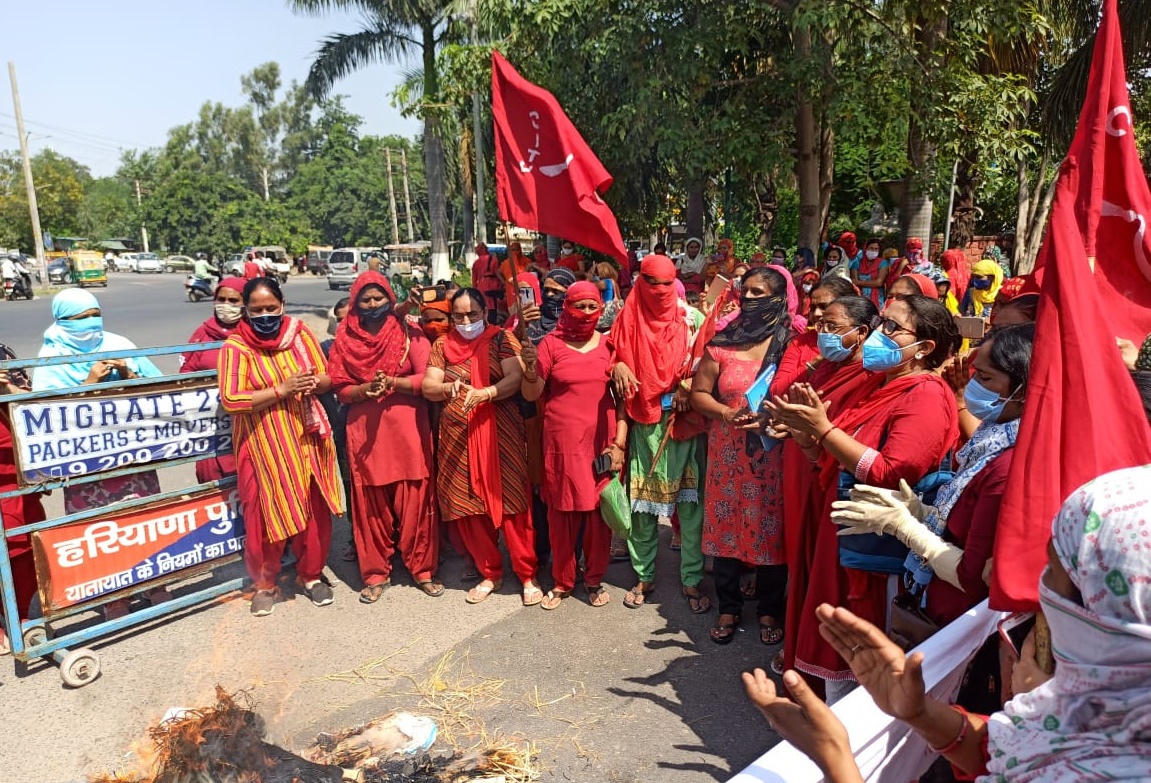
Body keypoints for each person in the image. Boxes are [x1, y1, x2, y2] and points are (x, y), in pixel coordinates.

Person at [745, 464, 1151, 783]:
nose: (1036, 590)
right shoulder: (1096, 715)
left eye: (1056, 576)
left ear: (1108, 620)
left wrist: (833, 754)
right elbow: (1003, 745)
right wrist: (920, 712)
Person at [767, 295, 960, 701]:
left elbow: (893, 472)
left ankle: (855, 749)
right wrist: (807, 439)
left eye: (892, 328)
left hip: (876, 548)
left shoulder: (924, 395)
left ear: (924, 348)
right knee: (841, 641)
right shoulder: (878, 383)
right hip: (843, 531)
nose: (878, 334)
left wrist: (823, 430)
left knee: (864, 654)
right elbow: (835, 457)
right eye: (880, 324)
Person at [834, 323, 1035, 626]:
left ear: (1024, 388)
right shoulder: (991, 438)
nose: (972, 386)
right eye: (974, 373)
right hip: (935, 596)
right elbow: (963, 524)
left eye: (985, 377)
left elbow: (971, 576)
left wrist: (905, 527)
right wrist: (918, 509)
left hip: (960, 617)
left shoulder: (1007, 466)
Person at [218, 277, 343, 616]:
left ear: (282, 305)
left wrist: (315, 383)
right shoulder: (236, 347)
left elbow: (328, 377)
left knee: (313, 512)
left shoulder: (299, 334)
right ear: (245, 310)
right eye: (256, 310)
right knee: (263, 517)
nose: (264, 315)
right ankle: (265, 584)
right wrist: (282, 389)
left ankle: (311, 576)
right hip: (262, 447)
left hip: (305, 439)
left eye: (270, 308)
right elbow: (232, 399)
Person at [771, 295, 882, 678]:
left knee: (825, 578)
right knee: (801, 565)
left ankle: (820, 667)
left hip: (835, 485)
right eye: (821, 326)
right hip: (805, 474)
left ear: (862, 333)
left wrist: (816, 433)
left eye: (834, 327)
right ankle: (799, 649)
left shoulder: (871, 377)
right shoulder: (823, 370)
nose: (823, 333)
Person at [690, 267, 793, 645]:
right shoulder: (723, 343)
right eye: (745, 291)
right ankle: (728, 607)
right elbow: (699, 394)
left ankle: (769, 608)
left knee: (771, 529)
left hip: (775, 454)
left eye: (759, 292)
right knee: (726, 527)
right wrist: (727, 413)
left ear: (780, 299)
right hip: (728, 456)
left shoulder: (790, 345)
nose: (748, 298)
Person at [327, 272, 441, 602]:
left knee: (415, 501)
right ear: (355, 302)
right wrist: (364, 389)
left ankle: (422, 568)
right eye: (366, 300)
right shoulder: (344, 338)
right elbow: (340, 387)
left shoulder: (409, 330)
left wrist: (394, 383)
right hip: (366, 435)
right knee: (370, 507)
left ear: (390, 298)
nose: (374, 305)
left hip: (407, 432)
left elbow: (427, 380)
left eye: (379, 298)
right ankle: (375, 573)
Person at [422, 288, 539, 605]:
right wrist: (449, 387)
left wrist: (486, 393)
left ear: (485, 312)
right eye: (458, 315)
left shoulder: (501, 339)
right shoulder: (442, 345)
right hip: (459, 436)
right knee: (470, 508)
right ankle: (491, 573)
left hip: (502, 435)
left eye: (472, 314)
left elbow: (515, 378)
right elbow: (428, 386)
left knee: (513, 503)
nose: (465, 320)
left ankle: (527, 575)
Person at [608, 254, 710, 613]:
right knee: (642, 507)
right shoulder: (626, 318)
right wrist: (617, 363)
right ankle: (644, 574)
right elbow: (614, 360)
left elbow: (709, 362)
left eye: (669, 283)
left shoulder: (693, 319)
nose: (662, 291)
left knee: (691, 505)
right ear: (640, 281)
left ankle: (692, 579)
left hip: (685, 423)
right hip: (644, 424)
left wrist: (689, 386)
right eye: (653, 282)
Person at [520, 282, 625, 609]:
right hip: (562, 443)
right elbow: (531, 393)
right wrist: (528, 367)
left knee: (598, 514)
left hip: (601, 443)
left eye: (593, 307)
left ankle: (593, 579)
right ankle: (563, 581)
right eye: (579, 306)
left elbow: (622, 401)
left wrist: (619, 442)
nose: (586, 314)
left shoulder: (610, 346)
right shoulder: (550, 344)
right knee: (562, 514)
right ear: (567, 307)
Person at [181, 277, 248, 482]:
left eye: (234, 300)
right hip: (212, 428)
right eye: (221, 299)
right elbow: (185, 374)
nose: (226, 305)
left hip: (246, 425)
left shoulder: (253, 333)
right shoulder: (202, 334)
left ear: (245, 302)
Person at [0, 360, 46, 653]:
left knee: (24, 548)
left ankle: (22, 617)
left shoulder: (5, 358)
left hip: (16, 484)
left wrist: (6, 388)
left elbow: (36, 411)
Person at [849, 237, 889, 307]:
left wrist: (859, 282)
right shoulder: (857, 262)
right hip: (859, 296)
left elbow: (879, 282)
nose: (873, 251)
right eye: (871, 248)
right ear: (865, 249)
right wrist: (871, 283)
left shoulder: (883, 262)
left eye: (876, 249)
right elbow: (854, 282)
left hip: (877, 297)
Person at [471, 243, 503, 322]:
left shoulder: (476, 263)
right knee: (493, 307)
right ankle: (493, 324)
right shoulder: (493, 259)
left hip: (481, 287)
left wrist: (474, 291)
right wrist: (504, 283)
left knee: (484, 306)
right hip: (492, 286)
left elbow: (474, 280)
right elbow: (497, 273)